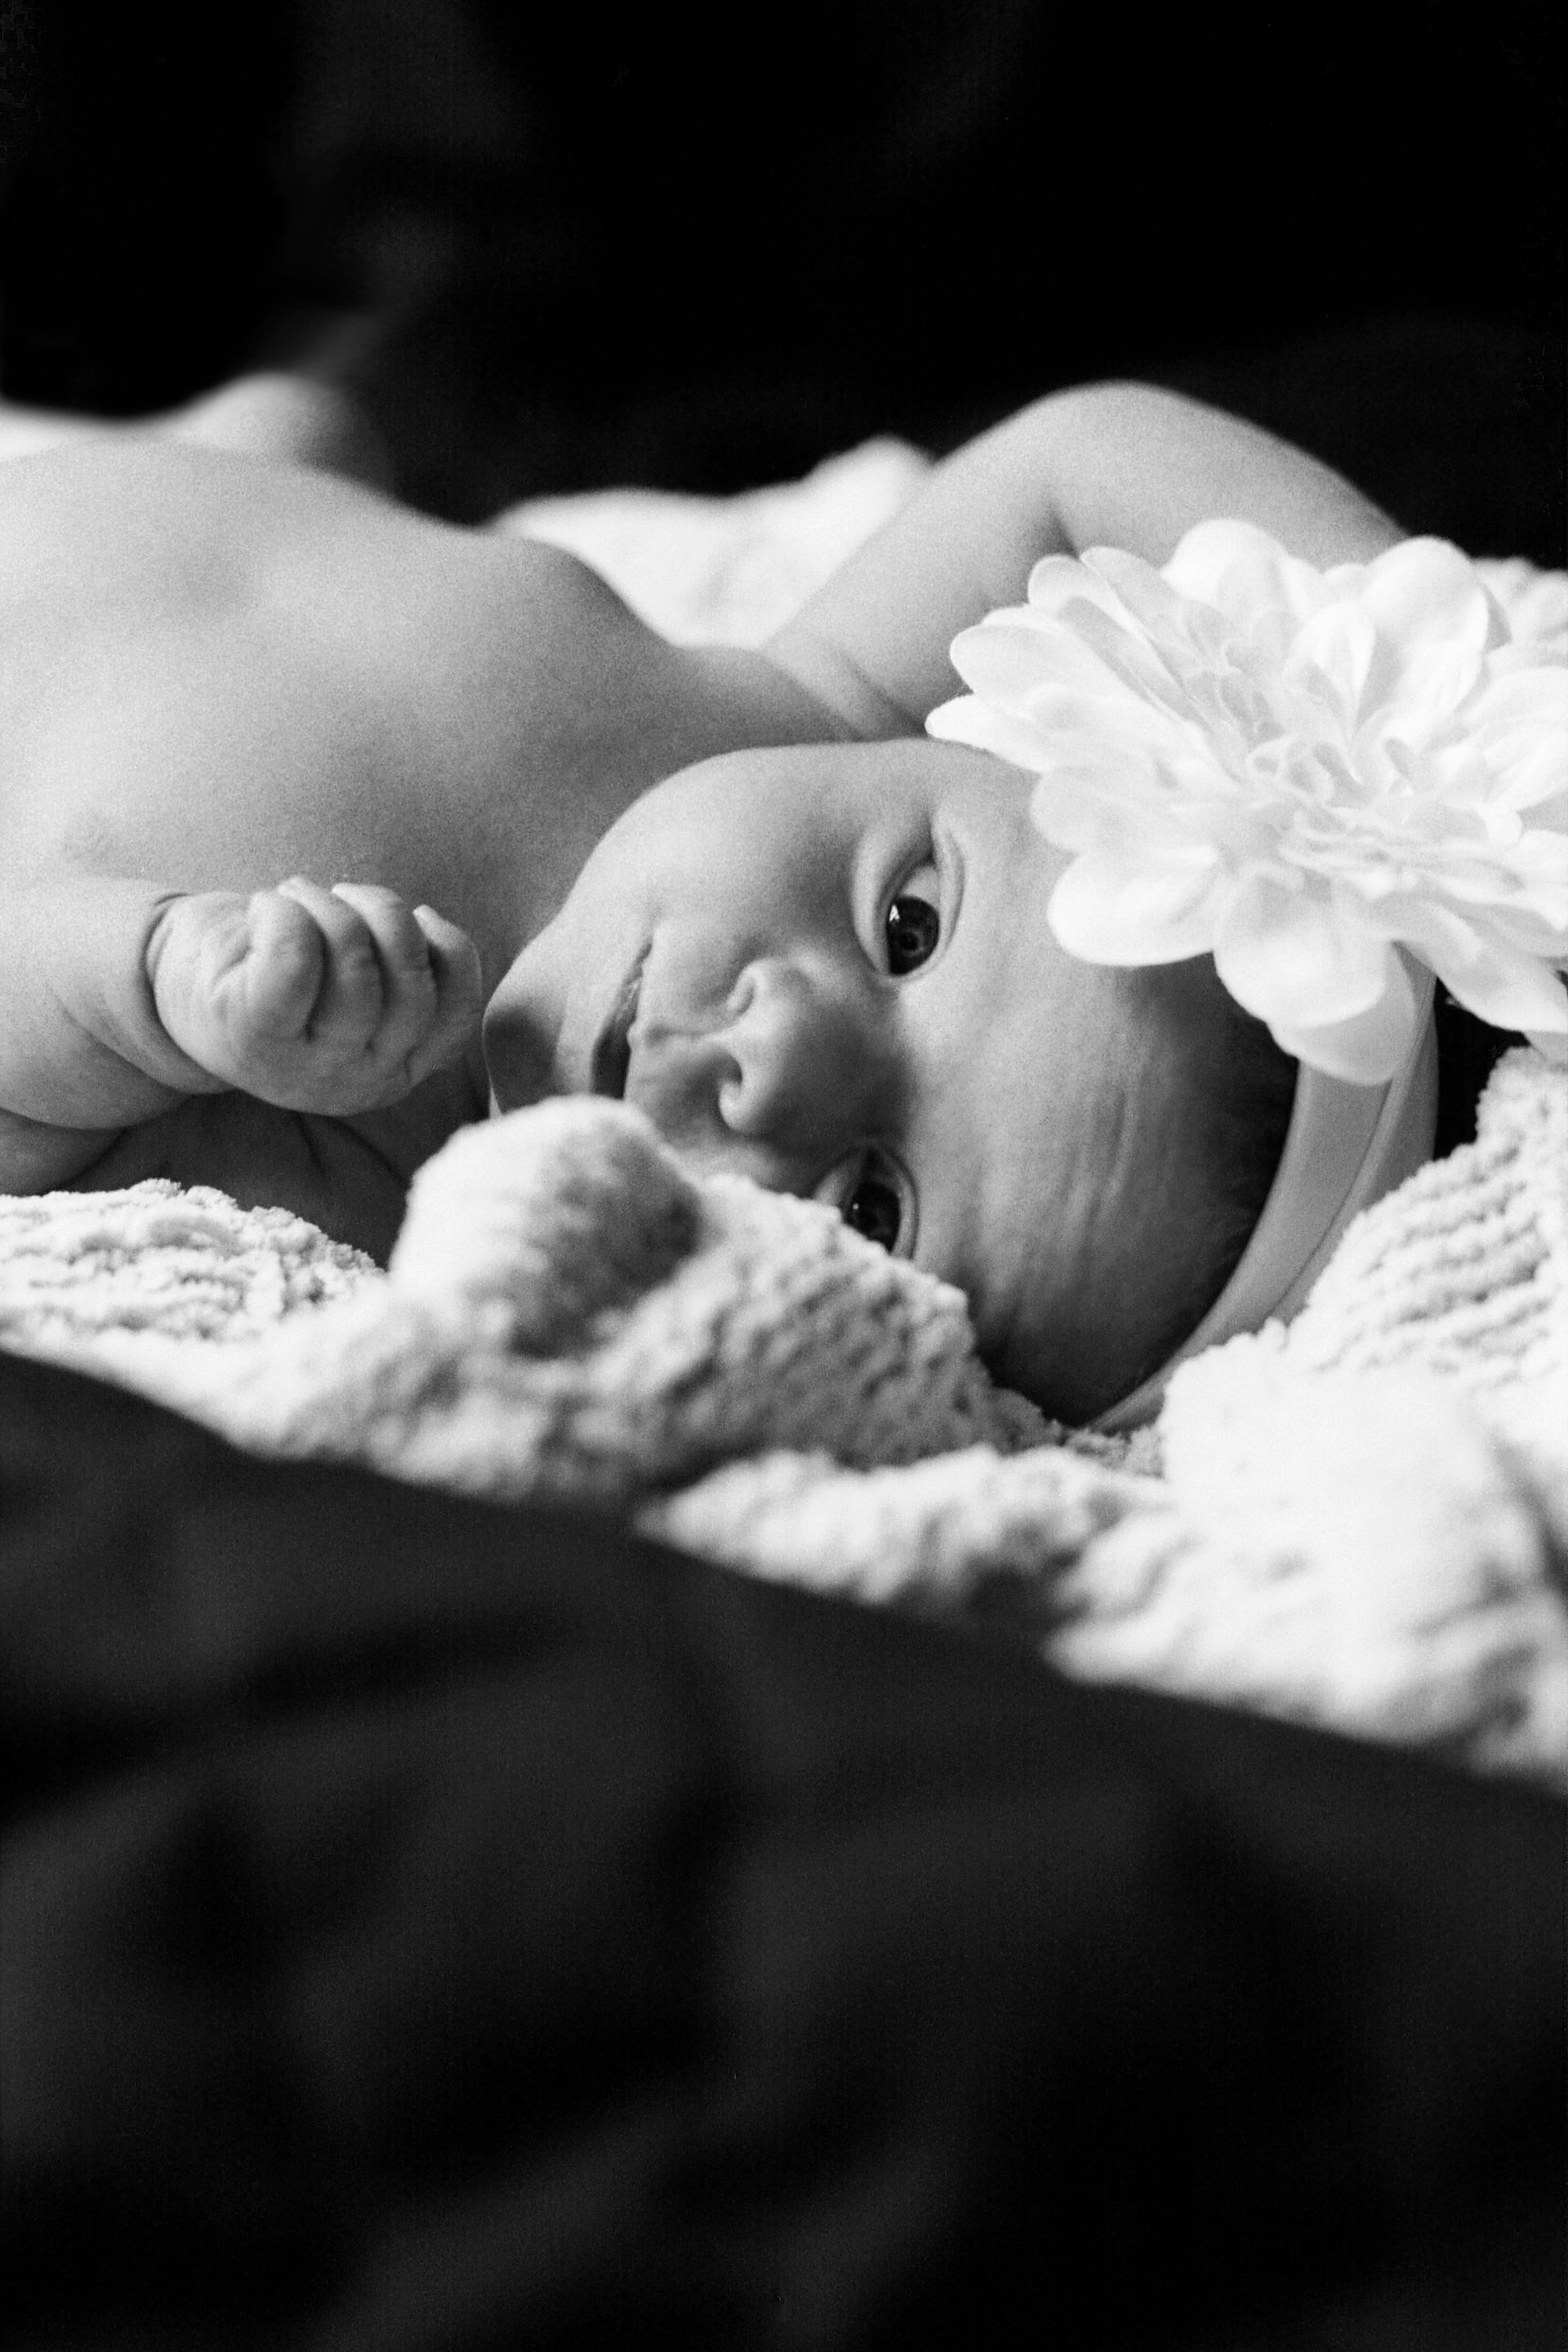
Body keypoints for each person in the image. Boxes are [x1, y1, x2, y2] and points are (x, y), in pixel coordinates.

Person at [0, 381, 1437, 1420]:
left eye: (872, 1207)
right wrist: (1402, 634)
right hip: (211, 483)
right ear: (965, 746)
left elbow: (26, 1118)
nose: (779, 1059)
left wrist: (152, 979)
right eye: (911, 932)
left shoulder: (374, 1142)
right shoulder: (811, 706)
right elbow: (1072, 461)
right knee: (305, 420)